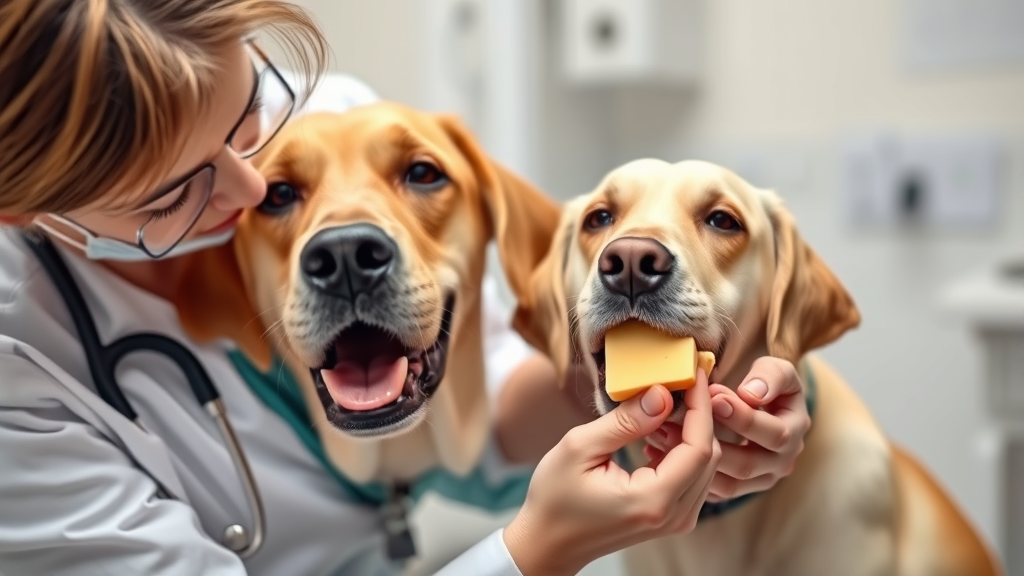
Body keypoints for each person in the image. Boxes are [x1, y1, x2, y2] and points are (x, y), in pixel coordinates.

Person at [0, 2, 810, 575]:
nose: (252, 186)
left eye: (250, 113)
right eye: (174, 190)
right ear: (26, 211)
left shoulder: (335, 122)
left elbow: (482, 399)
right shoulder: (18, 373)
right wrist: (536, 553)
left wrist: (721, 379)